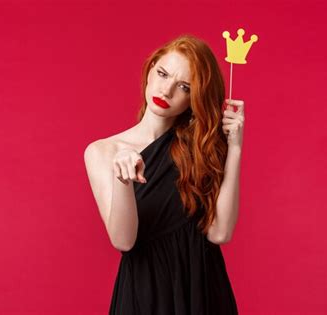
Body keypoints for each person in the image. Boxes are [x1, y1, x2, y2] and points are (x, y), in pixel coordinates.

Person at [84, 34, 244, 315]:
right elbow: (124, 240)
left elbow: (220, 232)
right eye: (163, 74)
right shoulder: (102, 152)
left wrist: (235, 148)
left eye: (183, 86)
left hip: (202, 289)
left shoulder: (200, 147)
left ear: (194, 97)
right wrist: (123, 179)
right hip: (144, 294)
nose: (167, 90)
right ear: (151, 68)